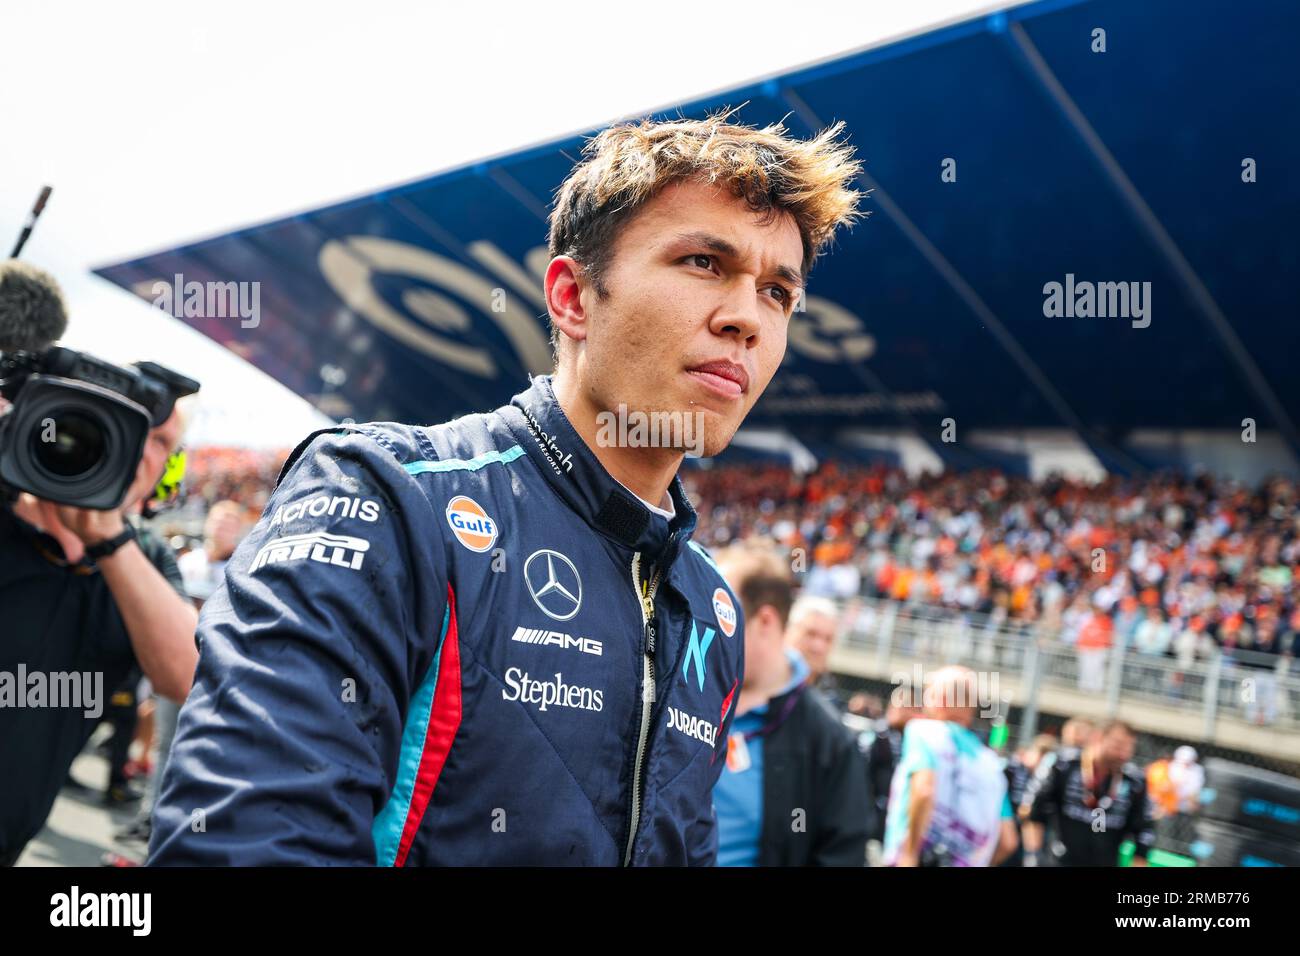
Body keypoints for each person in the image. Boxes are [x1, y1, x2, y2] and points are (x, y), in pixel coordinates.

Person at [150, 111, 863, 866]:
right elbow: (243, 846)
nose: (746, 318)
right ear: (572, 298)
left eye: (778, 293)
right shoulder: (387, 501)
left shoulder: (714, 612)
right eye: (703, 263)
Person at [0, 404, 198, 866]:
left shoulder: (146, 556)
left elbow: (187, 677)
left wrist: (107, 537)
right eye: (126, 425)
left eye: (160, 441)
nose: (136, 449)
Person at [713, 545, 869, 866]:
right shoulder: (689, 691)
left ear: (765, 621)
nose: (708, 626)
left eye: (722, 613)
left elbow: (841, 852)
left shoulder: (828, 740)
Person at [882, 666, 1018, 867]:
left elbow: (923, 790)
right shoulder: (991, 764)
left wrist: (909, 855)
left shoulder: (923, 732)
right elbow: (1008, 841)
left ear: (940, 699)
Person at [1022, 720, 1155, 867]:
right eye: (1118, 745)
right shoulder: (1064, 765)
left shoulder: (1134, 782)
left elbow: (1144, 834)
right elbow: (1033, 811)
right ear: (1098, 738)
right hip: (1059, 861)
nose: (1123, 754)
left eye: (1130, 747)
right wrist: (1033, 856)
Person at [785, 594, 845, 708]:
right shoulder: (760, 681)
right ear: (788, 632)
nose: (819, 647)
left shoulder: (829, 703)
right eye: (811, 634)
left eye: (828, 639)